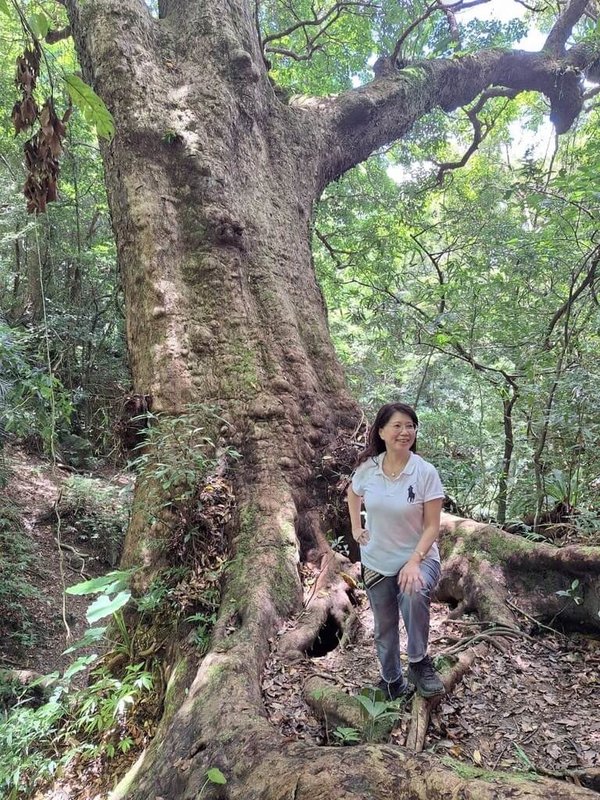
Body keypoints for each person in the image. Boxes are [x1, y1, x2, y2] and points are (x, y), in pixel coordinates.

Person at [347, 402, 445, 700]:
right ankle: (391, 680)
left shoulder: (424, 472)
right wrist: (355, 527)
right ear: (381, 432)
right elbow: (353, 492)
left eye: (410, 426)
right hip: (376, 560)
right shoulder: (368, 469)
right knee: (384, 625)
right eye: (397, 426)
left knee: (414, 593)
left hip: (418, 557)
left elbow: (432, 526)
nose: (405, 432)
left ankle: (418, 663)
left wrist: (414, 561)